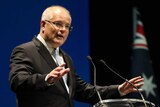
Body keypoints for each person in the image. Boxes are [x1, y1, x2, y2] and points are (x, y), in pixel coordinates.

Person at [9, 5, 144, 107]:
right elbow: (17, 81)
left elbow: (84, 91)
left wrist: (119, 89)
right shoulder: (25, 50)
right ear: (43, 24)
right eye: (58, 24)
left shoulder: (65, 58)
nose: (63, 30)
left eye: (67, 26)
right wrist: (46, 79)